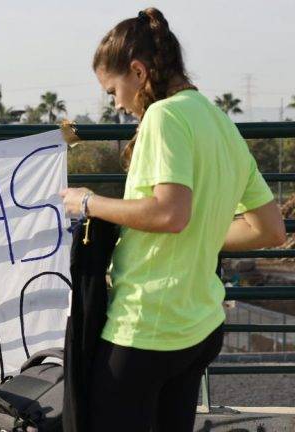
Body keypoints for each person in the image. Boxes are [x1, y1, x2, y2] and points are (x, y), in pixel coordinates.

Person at [60, 8, 287, 432]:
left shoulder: (163, 116)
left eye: (113, 91)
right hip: (200, 328)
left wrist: (88, 202)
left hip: (147, 328)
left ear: (138, 71)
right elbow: (270, 228)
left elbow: (169, 212)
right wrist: (202, 234)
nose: (117, 104)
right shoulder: (220, 122)